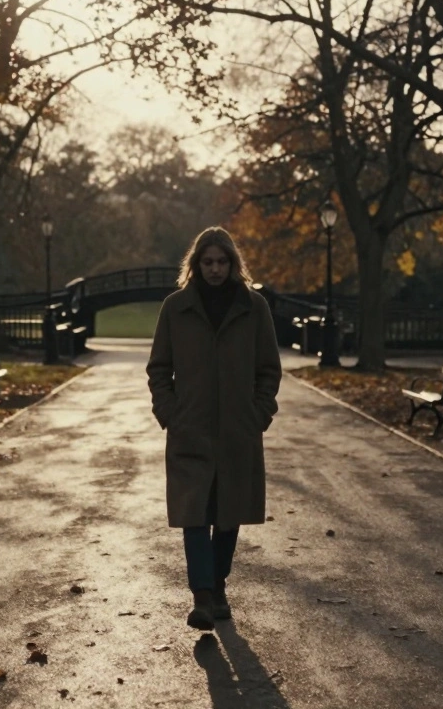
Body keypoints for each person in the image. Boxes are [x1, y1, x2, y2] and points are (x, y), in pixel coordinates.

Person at [146, 226, 282, 630]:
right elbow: (159, 369)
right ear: (196, 264)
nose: (215, 269)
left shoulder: (253, 307)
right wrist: (170, 413)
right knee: (194, 515)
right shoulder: (176, 308)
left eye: (222, 262)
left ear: (233, 263)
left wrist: (258, 414)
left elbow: (268, 369)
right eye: (208, 262)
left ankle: (218, 585)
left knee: (228, 516)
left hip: (238, 431)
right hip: (190, 428)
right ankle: (202, 597)